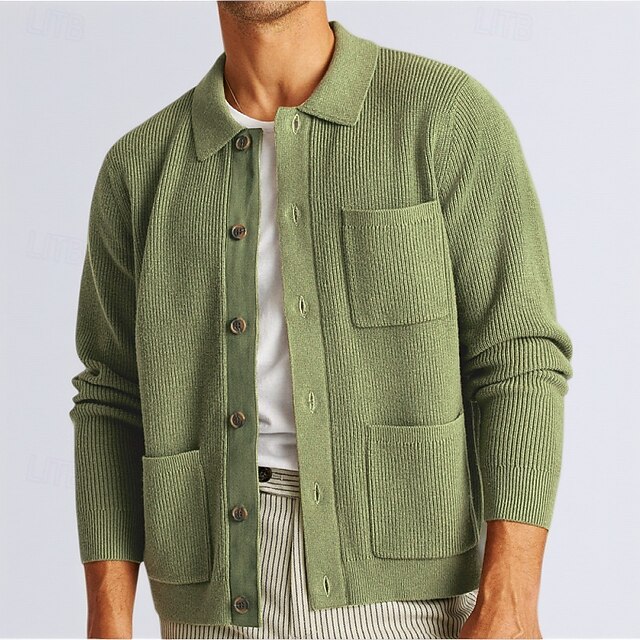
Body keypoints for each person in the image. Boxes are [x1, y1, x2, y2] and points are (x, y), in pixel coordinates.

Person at [69, 2, 574, 639]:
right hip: (211, 601)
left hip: (408, 593)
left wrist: (512, 597)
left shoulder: (446, 117)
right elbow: (112, 397)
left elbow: (518, 355)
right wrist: (108, 620)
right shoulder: (139, 168)